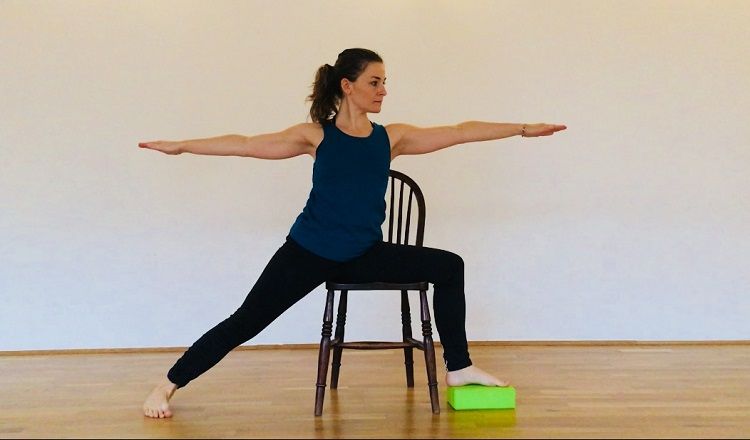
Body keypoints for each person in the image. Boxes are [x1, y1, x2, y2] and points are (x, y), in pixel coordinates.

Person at [139, 48, 566, 419]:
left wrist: (521, 128)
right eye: (374, 82)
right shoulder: (316, 136)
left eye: (385, 83)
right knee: (245, 322)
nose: (383, 91)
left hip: (363, 254)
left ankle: (459, 367)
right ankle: (168, 384)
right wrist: (183, 146)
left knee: (449, 266)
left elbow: (459, 132)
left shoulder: (391, 138)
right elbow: (246, 143)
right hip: (308, 253)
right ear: (347, 86)